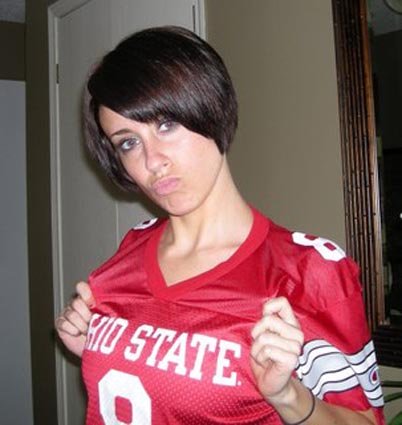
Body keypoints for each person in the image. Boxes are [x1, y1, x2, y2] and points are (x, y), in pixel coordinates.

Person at [55, 26, 385, 424]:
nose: (152, 161)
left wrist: (288, 397)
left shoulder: (309, 273)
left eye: (166, 124)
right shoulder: (133, 245)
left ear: (211, 108)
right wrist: (97, 347)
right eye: (128, 142)